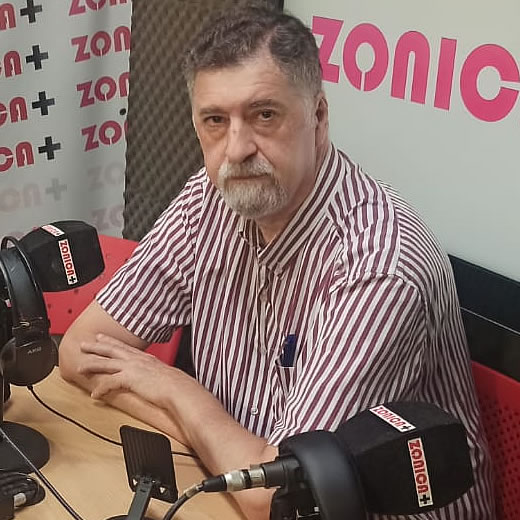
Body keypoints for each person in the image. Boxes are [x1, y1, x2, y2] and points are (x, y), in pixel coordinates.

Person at [59, 6, 494, 519]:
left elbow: (276, 495)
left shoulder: (380, 266)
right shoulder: (209, 199)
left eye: (264, 115)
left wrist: (177, 388)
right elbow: (80, 351)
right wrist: (213, 440)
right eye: (215, 121)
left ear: (319, 117)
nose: (236, 149)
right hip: (230, 485)